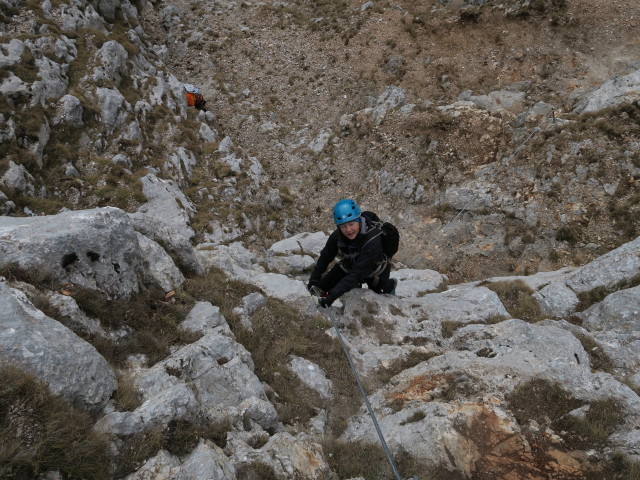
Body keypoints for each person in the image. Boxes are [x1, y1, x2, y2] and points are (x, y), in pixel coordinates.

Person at [307, 199, 397, 308]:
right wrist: (314, 279)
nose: (348, 230)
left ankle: (391, 285)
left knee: (381, 290)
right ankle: (352, 286)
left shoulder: (372, 241)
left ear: (359, 220)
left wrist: (332, 296)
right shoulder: (337, 236)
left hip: (374, 269)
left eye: (351, 224)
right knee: (320, 288)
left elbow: (356, 274)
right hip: (351, 264)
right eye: (343, 226)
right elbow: (326, 256)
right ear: (338, 226)